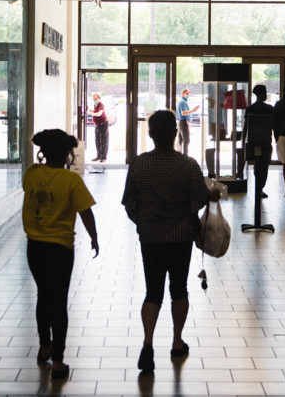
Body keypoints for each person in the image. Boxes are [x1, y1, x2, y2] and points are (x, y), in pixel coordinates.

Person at [122, 110, 220, 374]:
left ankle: (148, 343)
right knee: (178, 289)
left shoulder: (139, 164)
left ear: (151, 134)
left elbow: (129, 202)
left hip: (150, 237)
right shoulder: (187, 165)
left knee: (152, 291)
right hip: (181, 237)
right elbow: (199, 199)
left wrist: (143, 222)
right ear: (176, 133)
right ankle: (177, 342)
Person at [22, 129, 99, 380]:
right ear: (66, 154)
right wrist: (95, 237)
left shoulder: (32, 174)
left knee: (43, 295)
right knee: (59, 301)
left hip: (35, 247)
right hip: (60, 249)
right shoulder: (71, 181)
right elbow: (85, 212)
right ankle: (58, 360)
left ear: (43, 152)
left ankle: (44, 345)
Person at [243, 85, 275, 199]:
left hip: (253, 141)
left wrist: (243, 140)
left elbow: (245, 126)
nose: (266, 95)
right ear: (260, 94)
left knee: (257, 164)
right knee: (264, 165)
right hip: (265, 141)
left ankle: (258, 187)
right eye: (265, 92)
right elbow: (274, 126)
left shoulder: (250, 109)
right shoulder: (270, 109)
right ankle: (260, 187)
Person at [175, 88, 200, 156]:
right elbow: (183, 113)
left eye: (189, 94)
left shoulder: (181, 101)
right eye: (187, 94)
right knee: (186, 140)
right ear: (183, 94)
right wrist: (193, 110)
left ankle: (178, 155)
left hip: (180, 122)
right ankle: (185, 156)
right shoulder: (183, 102)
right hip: (183, 122)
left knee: (180, 140)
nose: (188, 95)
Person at [87, 92, 108, 162]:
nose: (94, 100)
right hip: (97, 125)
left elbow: (99, 113)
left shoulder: (101, 105)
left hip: (103, 124)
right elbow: (95, 111)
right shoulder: (95, 105)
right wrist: (89, 111)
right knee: (97, 141)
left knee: (103, 141)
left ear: (99, 98)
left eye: (95, 98)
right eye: (93, 99)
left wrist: (91, 113)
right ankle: (98, 156)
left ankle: (103, 158)